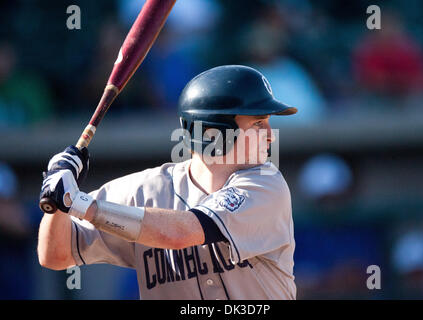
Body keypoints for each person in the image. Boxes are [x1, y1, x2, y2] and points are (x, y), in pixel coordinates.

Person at [38, 65, 297, 300]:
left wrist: (80, 203)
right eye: (258, 123)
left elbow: (180, 233)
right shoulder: (144, 191)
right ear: (212, 132)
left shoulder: (267, 186)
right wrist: (57, 198)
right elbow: (55, 255)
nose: (269, 136)